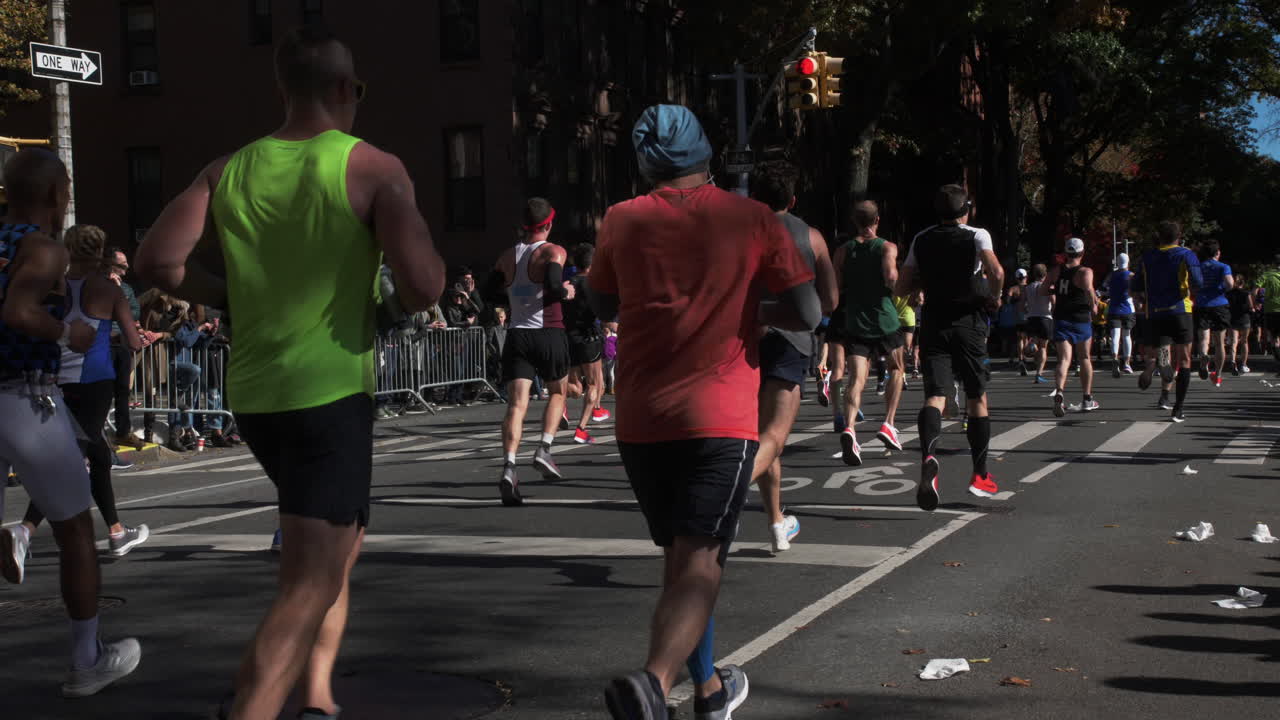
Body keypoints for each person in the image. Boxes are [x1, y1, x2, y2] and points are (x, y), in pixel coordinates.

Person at [136, 25, 445, 720]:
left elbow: (157, 262)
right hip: (328, 392)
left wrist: (228, 295)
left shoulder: (226, 170)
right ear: (344, 89)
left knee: (336, 552)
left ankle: (312, 694)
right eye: (357, 88)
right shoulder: (373, 167)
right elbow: (426, 283)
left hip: (254, 394)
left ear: (283, 91)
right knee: (310, 581)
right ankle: (255, 708)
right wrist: (391, 300)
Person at [589, 105, 819, 720]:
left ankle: (711, 690)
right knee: (699, 562)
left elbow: (601, 301)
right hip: (719, 414)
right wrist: (752, 310)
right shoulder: (753, 218)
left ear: (645, 163)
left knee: (680, 559)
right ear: (705, 153)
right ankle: (655, 684)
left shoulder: (621, 219)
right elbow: (808, 311)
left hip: (641, 419)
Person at [0, 148, 142, 697]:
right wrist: (66, 333)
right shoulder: (44, 248)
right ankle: (87, 660)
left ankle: (16, 536)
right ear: (56, 195)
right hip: (24, 396)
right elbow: (18, 311)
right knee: (76, 530)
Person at [19, 224, 151, 561]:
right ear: (100, 252)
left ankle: (116, 531)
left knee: (97, 454)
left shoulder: (54, 287)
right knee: (75, 456)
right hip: (94, 381)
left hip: (55, 381)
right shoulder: (109, 289)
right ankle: (24, 531)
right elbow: (133, 340)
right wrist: (135, 337)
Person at [747, 159, 837, 553]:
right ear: (793, 199)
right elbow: (830, 300)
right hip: (791, 341)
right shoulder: (811, 236)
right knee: (773, 436)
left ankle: (776, 524)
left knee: (760, 436)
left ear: (754, 197)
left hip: (741, 340)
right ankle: (728, 491)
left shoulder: (737, 233)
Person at [895, 184, 1004, 510]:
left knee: (935, 396)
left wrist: (923, 284)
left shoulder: (922, 238)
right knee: (976, 396)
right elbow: (996, 270)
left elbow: (901, 285)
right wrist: (995, 296)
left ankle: (929, 455)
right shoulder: (978, 235)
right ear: (966, 210)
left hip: (934, 323)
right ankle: (980, 474)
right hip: (968, 322)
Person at [489, 197, 575, 506]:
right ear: (549, 224)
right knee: (558, 393)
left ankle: (509, 467)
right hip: (549, 332)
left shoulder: (506, 256)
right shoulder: (554, 251)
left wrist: (515, 297)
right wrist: (566, 291)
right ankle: (544, 449)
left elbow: (488, 292)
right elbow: (553, 284)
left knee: (516, 405)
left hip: (517, 336)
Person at [835, 200, 904, 465]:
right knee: (897, 369)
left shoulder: (843, 251)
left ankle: (850, 428)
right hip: (885, 320)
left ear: (855, 221)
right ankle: (889, 423)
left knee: (856, 379)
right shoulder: (887, 247)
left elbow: (836, 286)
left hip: (855, 322)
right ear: (877, 220)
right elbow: (892, 277)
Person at [1132, 221, 1202, 422]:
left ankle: (1162, 365)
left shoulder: (1147, 257)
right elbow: (1198, 281)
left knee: (1164, 350)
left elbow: (1136, 285)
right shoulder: (1186, 254)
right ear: (1179, 236)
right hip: (1180, 310)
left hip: (1156, 312)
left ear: (1159, 237)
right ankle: (1178, 408)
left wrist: (1143, 298)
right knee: (1185, 359)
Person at [1043, 237, 1099, 415]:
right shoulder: (1085, 272)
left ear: (1066, 253)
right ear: (1082, 252)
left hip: (1061, 318)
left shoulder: (1055, 271)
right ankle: (1087, 398)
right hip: (1080, 318)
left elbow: (1043, 290)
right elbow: (1089, 291)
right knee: (1084, 358)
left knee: (1064, 359)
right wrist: (1095, 306)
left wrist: (1056, 290)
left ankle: (1059, 391)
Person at [563, 242, 611, 444]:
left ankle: (559, 399)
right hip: (589, 337)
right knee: (594, 384)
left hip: (569, 337)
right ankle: (581, 429)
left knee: (574, 388)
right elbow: (603, 313)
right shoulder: (593, 285)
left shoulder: (568, 283)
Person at [1193, 240, 1234, 387]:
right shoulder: (1223, 267)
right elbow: (1230, 284)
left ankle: (1204, 356)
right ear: (1217, 253)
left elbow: (1193, 285)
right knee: (1219, 343)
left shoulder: (1198, 267)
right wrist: (1221, 289)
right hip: (1219, 304)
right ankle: (1218, 374)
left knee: (1203, 338)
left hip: (1202, 304)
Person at [1022, 263, 1054, 384]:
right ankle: (1039, 373)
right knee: (1043, 347)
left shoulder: (1027, 288)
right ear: (1045, 274)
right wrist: (1053, 312)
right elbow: (1053, 301)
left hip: (1032, 317)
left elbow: (1021, 305)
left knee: (1035, 339)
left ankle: (1032, 344)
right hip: (1045, 317)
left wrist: (1027, 312)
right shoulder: (1048, 286)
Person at [1106, 253, 1136, 377]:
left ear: (1117, 262)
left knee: (1115, 336)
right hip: (1128, 309)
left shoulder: (1111, 275)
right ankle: (1127, 363)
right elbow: (1135, 291)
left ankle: (1115, 358)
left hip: (1113, 309)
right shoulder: (1131, 276)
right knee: (1127, 336)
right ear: (1128, 262)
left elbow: (1103, 289)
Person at [1226, 271, 1254, 375]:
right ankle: (1243, 364)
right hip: (1244, 319)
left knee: (1234, 342)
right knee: (1244, 341)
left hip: (1233, 319)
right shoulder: (1246, 293)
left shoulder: (1229, 294)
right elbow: (1251, 307)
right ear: (1243, 283)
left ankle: (1233, 361)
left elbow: (1227, 306)